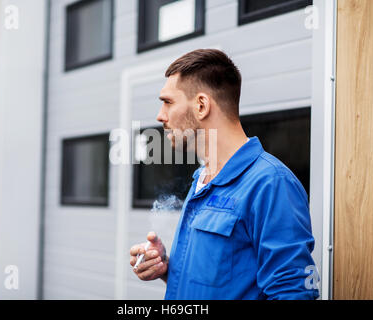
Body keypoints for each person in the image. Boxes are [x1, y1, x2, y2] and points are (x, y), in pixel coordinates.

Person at [129, 49, 320, 300]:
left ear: (201, 105)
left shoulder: (270, 184)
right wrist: (166, 267)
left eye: (168, 102)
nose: (160, 116)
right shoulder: (203, 179)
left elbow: (292, 294)